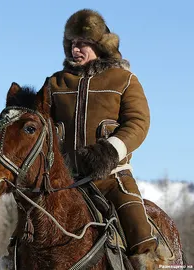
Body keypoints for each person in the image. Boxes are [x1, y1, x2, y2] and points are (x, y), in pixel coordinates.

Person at [42, 8, 158, 263]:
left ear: (100, 45)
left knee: (140, 237)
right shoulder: (55, 83)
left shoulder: (124, 79)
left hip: (111, 177)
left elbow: (139, 122)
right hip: (64, 181)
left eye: (82, 43)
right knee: (28, 228)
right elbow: (38, 121)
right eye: (72, 43)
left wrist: (109, 151)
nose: (75, 49)